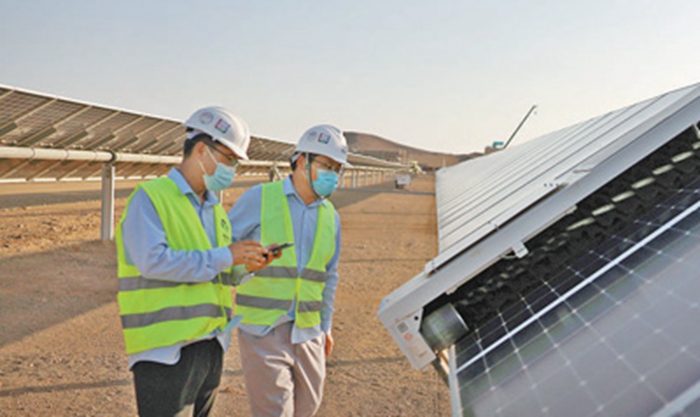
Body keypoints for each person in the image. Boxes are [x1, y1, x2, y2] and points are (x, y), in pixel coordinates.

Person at [115, 106, 275, 416]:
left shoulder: (215, 210)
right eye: (229, 159)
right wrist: (227, 255)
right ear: (201, 149)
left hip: (210, 343)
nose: (231, 169)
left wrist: (244, 267)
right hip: (166, 350)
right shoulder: (151, 197)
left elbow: (216, 269)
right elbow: (153, 261)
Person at [228, 124, 349, 417]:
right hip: (264, 328)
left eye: (337, 169)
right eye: (327, 165)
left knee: (308, 407)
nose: (333, 174)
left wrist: (326, 326)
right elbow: (223, 251)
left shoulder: (330, 217)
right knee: (276, 411)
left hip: (308, 330)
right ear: (302, 161)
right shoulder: (259, 198)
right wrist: (246, 265)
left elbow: (329, 275)